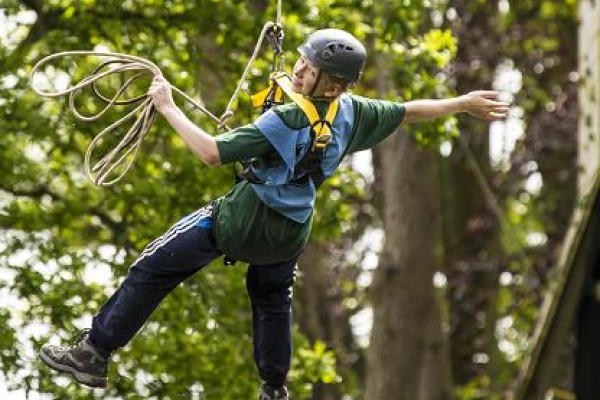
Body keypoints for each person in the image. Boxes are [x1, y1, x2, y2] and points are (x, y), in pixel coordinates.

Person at [39, 28, 508, 400]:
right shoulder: (352, 113)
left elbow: (210, 152)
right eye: (303, 60)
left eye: (311, 67)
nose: (301, 69)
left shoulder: (282, 121)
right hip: (288, 232)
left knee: (152, 267)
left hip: (242, 220)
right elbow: (408, 111)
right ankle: (274, 389)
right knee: (272, 301)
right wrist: (462, 104)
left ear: (334, 82)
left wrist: (168, 107)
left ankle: (94, 351)